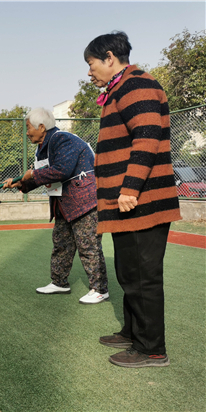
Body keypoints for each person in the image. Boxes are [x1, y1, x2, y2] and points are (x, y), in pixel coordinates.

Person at [84, 31, 181, 368]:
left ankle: (151, 349)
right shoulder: (121, 88)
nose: (89, 71)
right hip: (128, 204)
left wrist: (130, 188)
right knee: (129, 273)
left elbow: (147, 136)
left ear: (110, 58)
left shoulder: (136, 84)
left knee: (143, 276)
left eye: (91, 63)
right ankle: (132, 332)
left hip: (141, 202)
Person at [3, 107, 108, 304]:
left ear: (42, 127)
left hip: (84, 202)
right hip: (64, 204)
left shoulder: (62, 139)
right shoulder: (42, 147)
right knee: (61, 245)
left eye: (28, 128)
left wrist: (32, 174)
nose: (27, 133)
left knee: (89, 246)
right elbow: (45, 175)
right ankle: (59, 283)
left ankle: (100, 289)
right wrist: (21, 184)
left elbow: (61, 170)